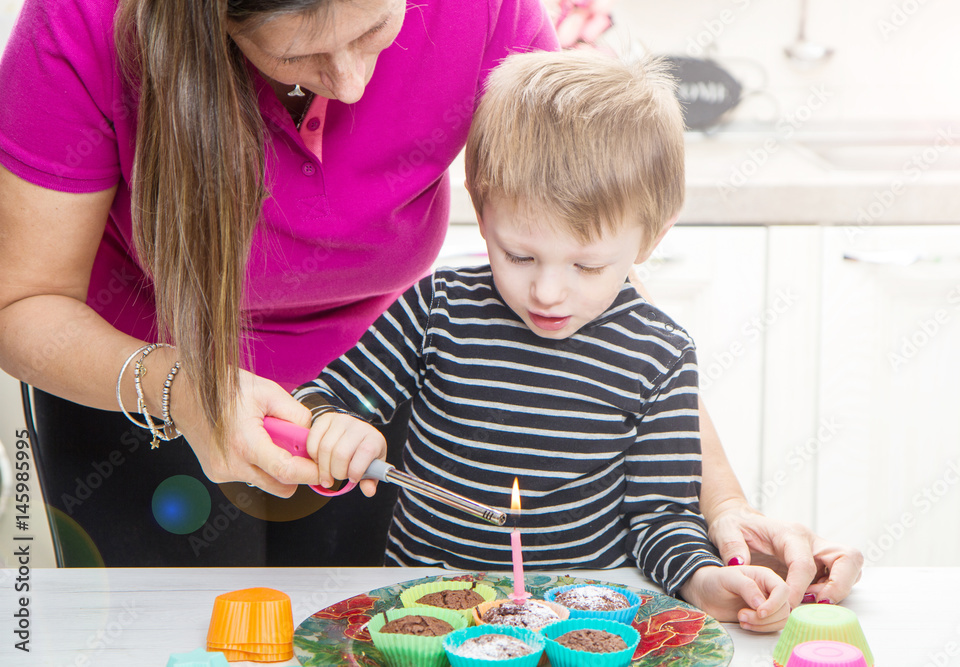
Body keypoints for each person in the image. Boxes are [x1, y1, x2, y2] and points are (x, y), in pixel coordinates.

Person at [0, 0, 862, 600]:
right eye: (299, 52)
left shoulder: (478, 6)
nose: (347, 82)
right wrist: (182, 388)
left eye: (377, 28)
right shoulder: (85, 17)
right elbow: (20, 301)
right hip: (138, 396)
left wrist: (725, 511)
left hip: (374, 429)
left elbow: (599, 296)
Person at [295, 49, 791, 631]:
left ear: (650, 239)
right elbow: (319, 399)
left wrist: (705, 580)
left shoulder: (659, 353)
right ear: (481, 212)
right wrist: (333, 425)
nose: (548, 292)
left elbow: (662, 518)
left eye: (587, 266)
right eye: (520, 256)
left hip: (581, 631)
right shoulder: (439, 309)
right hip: (426, 621)